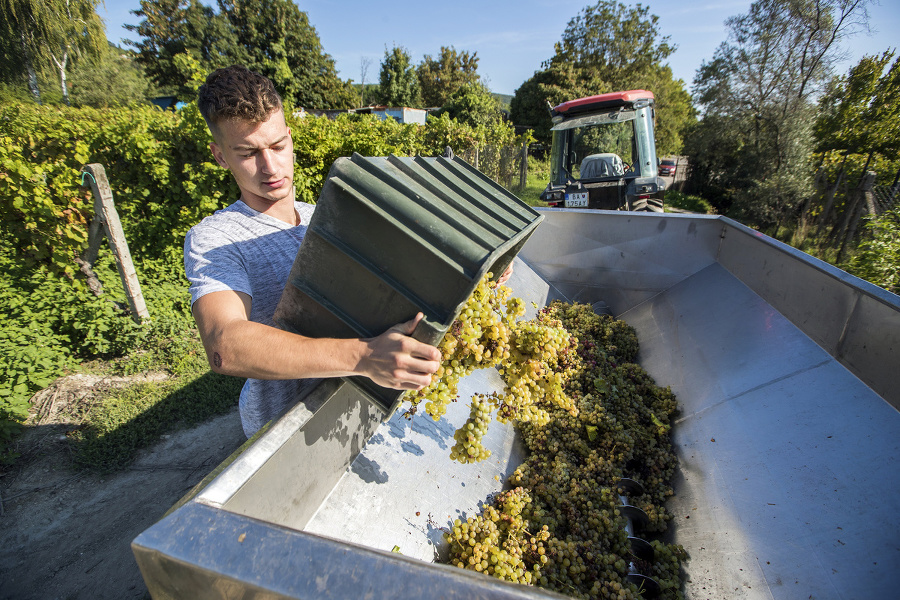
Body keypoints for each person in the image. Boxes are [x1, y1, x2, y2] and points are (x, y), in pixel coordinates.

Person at [185, 66, 442, 438]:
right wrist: (365, 357)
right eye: (247, 153)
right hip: (286, 431)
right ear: (220, 156)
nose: (269, 166)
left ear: (290, 139)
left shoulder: (323, 217)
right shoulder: (215, 239)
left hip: (359, 406)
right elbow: (226, 346)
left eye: (277, 146)